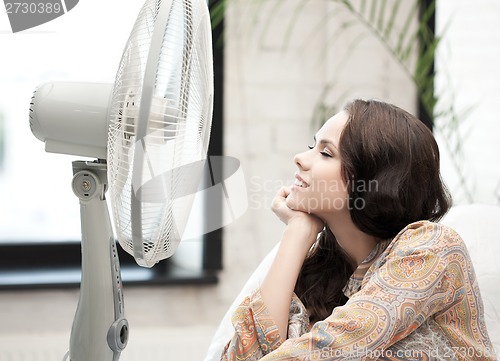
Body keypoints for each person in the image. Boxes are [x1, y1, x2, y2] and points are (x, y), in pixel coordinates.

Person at [220, 99, 496, 360]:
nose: (300, 158)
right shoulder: (320, 269)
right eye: (312, 146)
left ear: (375, 180)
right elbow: (243, 354)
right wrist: (297, 232)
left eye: (326, 153)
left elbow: (333, 349)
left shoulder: (431, 249)